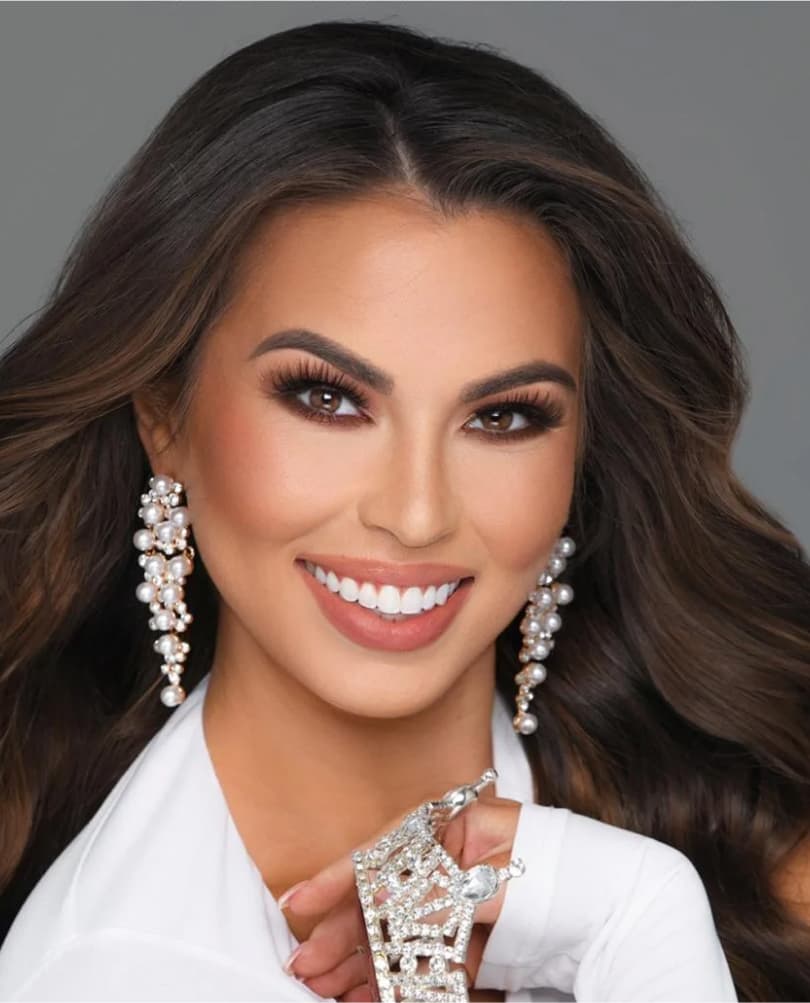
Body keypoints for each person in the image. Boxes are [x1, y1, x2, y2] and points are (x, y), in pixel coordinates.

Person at [0, 16, 807, 1002]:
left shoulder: (759, 865)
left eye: (503, 416)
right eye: (327, 398)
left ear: (583, 452)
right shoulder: (113, 972)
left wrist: (633, 908)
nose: (417, 513)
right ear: (165, 416)